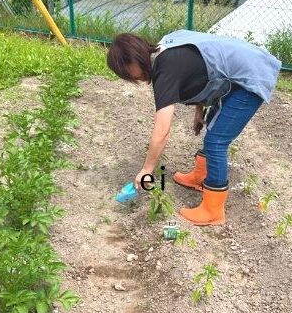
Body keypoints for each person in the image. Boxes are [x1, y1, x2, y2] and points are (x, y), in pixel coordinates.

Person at [107, 29, 281, 226]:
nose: (131, 78)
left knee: (216, 141)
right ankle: (201, 176)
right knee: (214, 127)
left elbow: (162, 130)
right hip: (240, 72)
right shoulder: (167, 48)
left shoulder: (166, 69)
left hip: (252, 76)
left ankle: (213, 210)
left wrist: (147, 169)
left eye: (126, 72)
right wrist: (200, 110)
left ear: (133, 60)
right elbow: (200, 72)